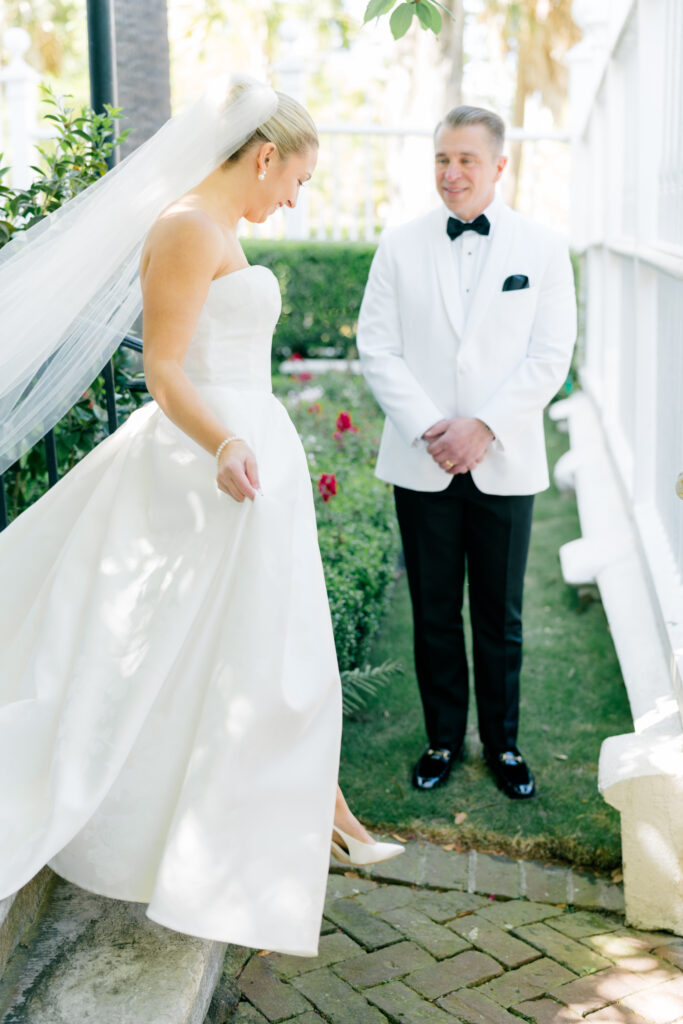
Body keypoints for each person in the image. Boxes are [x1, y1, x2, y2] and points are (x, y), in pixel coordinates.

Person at [0, 78, 401, 961]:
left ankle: (313, 807)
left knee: (268, 644)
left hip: (245, 461)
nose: (294, 199)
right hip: (206, 470)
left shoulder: (218, 229)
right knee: (239, 651)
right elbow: (168, 370)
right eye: (294, 180)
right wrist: (223, 444)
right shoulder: (186, 228)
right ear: (263, 156)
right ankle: (296, 818)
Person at [357, 105, 577, 800]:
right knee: (431, 609)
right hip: (421, 461)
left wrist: (480, 425)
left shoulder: (542, 248)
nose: (451, 174)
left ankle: (504, 746)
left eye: (466, 161)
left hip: (504, 459)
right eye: (441, 160)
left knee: (499, 614)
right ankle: (441, 740)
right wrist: (433, 427)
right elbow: (377, 347)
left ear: (499, 166)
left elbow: (550, 356)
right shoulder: (398, 245)